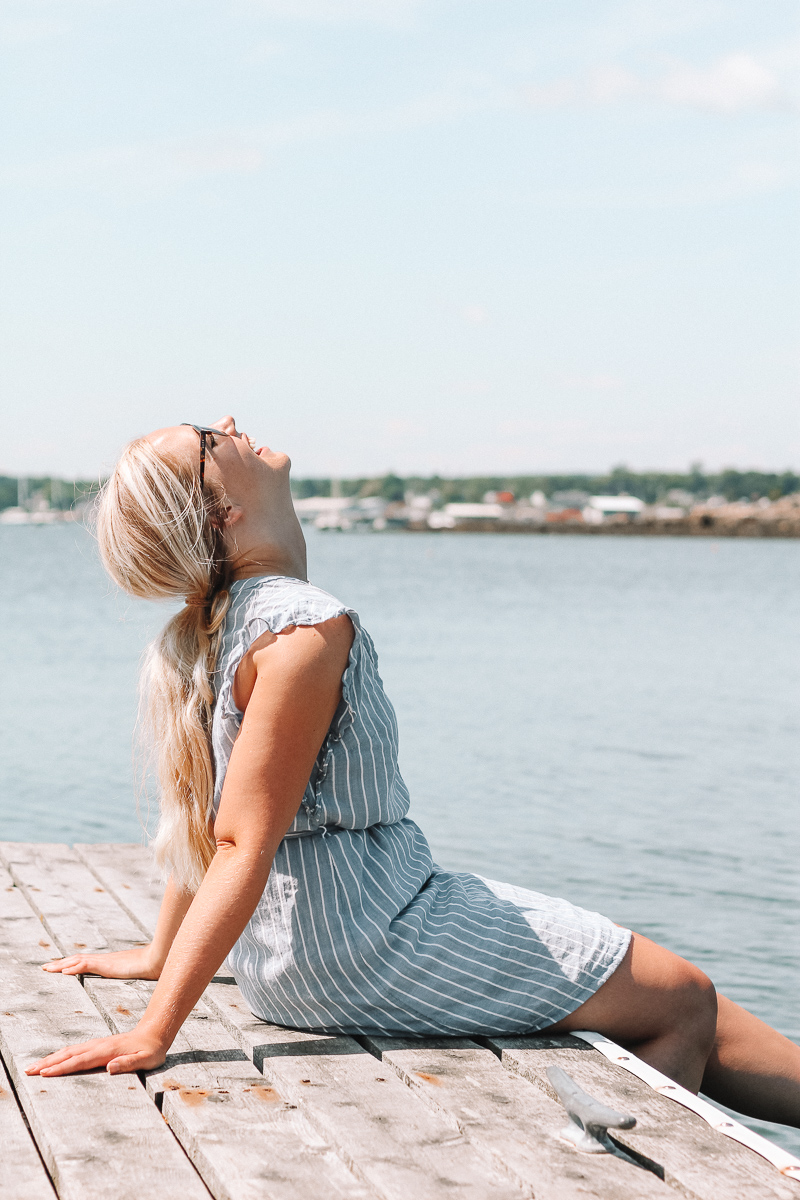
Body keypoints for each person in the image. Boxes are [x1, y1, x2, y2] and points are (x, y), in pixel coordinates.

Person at [27, 417, 800, 1130]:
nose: (229, 424)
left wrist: (159, 957)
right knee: (683, 1000)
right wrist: (156, 1028)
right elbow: (236, 841)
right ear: (222, 511)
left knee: (708, 1013)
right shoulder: (298, 629)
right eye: (207, 438)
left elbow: (206, 810)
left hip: (298, 951)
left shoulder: (228, 624)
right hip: (370, 937)